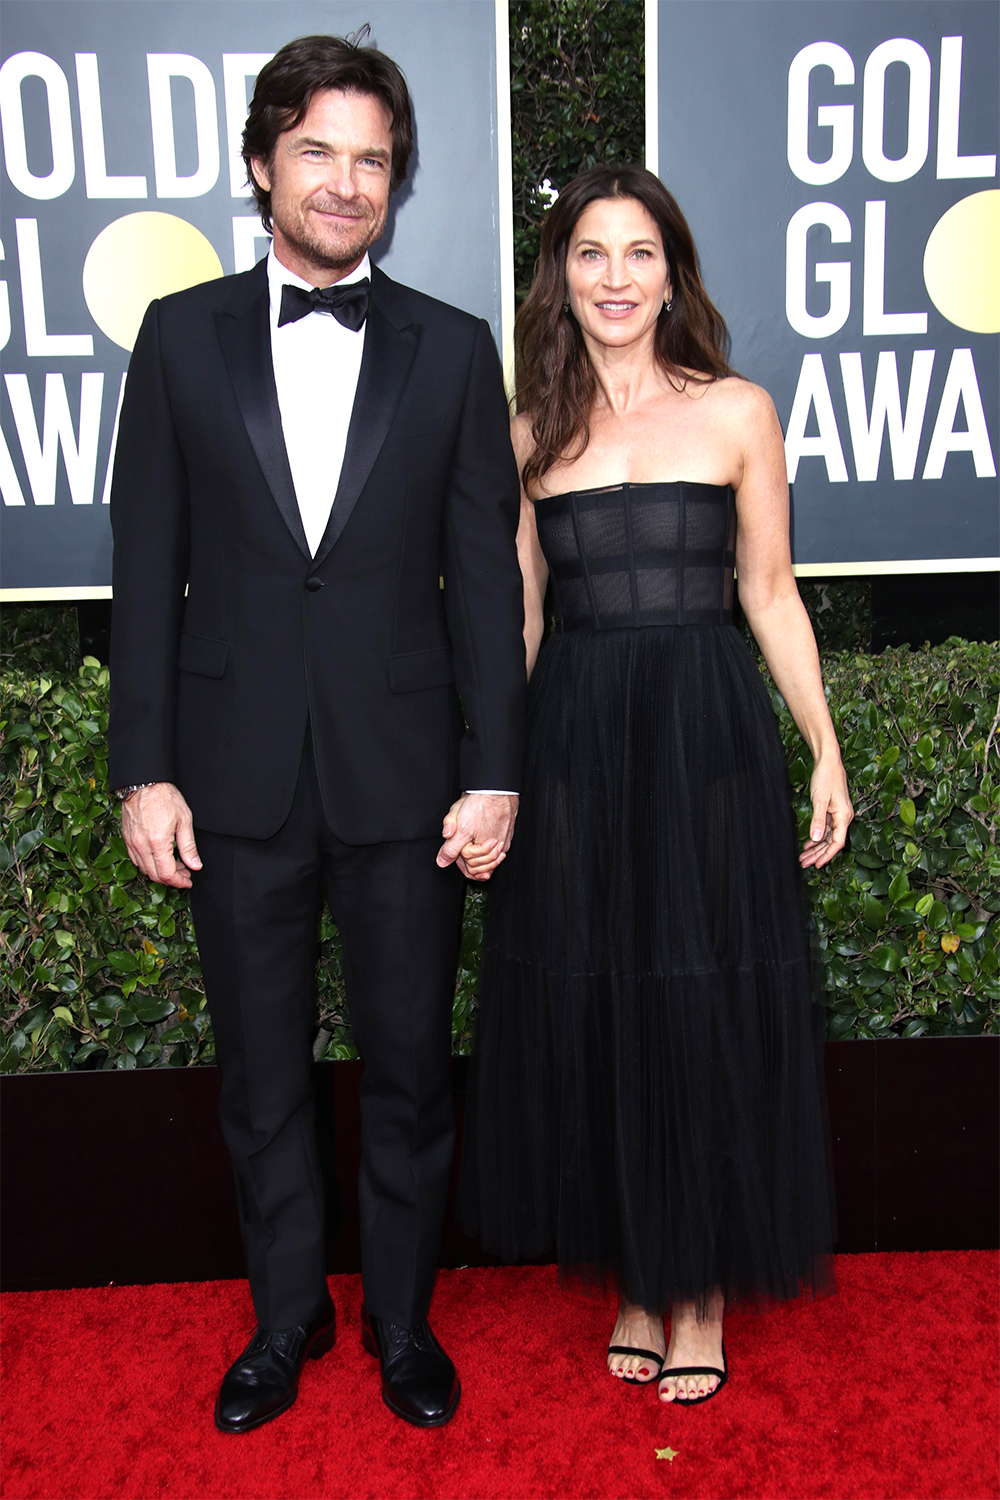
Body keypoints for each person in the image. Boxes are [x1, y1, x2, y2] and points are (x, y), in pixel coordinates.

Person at [108, 32, 525, 1432]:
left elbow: (489, 582)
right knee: (262, 1073)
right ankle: (285, 1318)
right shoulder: (178, 336)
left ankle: (403, 1321)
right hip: (230, 778)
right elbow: (146, 566)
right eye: (320, 153)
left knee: (411, 1067)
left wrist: (498, 773)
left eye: (373, 161)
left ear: (396, 184)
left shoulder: (457, 353)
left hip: (410, 781)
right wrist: (142, 764)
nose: (347, 184)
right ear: (263, 164)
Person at [460, 165, 852, 1404]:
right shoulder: (526, 435)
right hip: (574, 737)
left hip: (701, 733)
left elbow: (767, 590)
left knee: (697, 1000)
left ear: (671, 271)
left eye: (640, 254)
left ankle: (698, 1289)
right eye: (591, 253)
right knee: (603, 1006)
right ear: (560, 274)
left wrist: (825, 745)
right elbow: (519, 623)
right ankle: (636, 1264)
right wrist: (491, 775)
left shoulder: (737, 409)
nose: (616, 277)